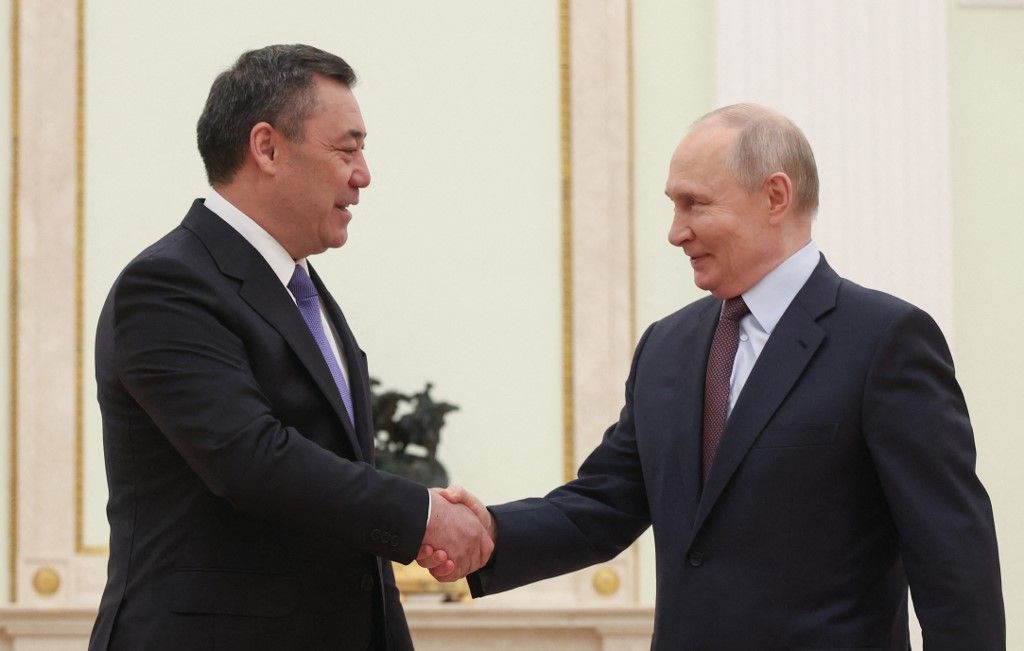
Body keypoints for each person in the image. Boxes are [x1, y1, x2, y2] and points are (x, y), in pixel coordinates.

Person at [419, 104, 1005, 649]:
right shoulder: (666, 347)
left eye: (695, 204)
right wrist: (492, 531)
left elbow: (952, 555)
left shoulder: (886, 340)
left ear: (775, 196)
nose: (676, 231)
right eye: (673, 206)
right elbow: (603, 504)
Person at [89, 44, 492, 651]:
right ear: (268, 148)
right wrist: (422, 516)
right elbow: (252, 459)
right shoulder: (169, 285)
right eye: (347, 149)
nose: (364, 174)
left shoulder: (302, 289)